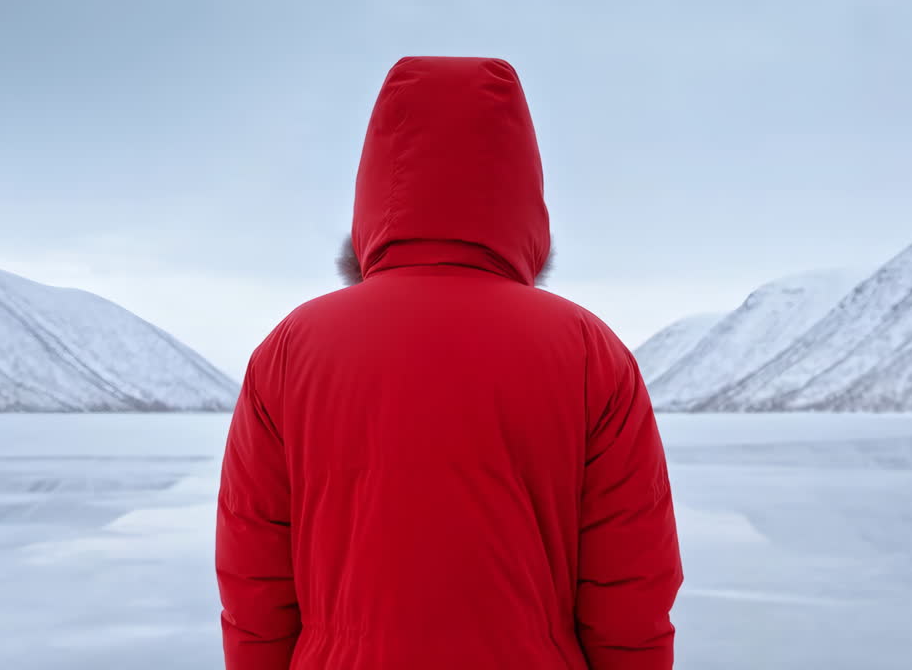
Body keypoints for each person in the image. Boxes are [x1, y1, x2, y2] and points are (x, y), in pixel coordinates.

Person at [216, 56, 682, 670]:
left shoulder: (290, 351)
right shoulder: (590, 354)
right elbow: (631, 591)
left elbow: (254, 583)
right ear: (523, 181)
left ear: (374, 178)